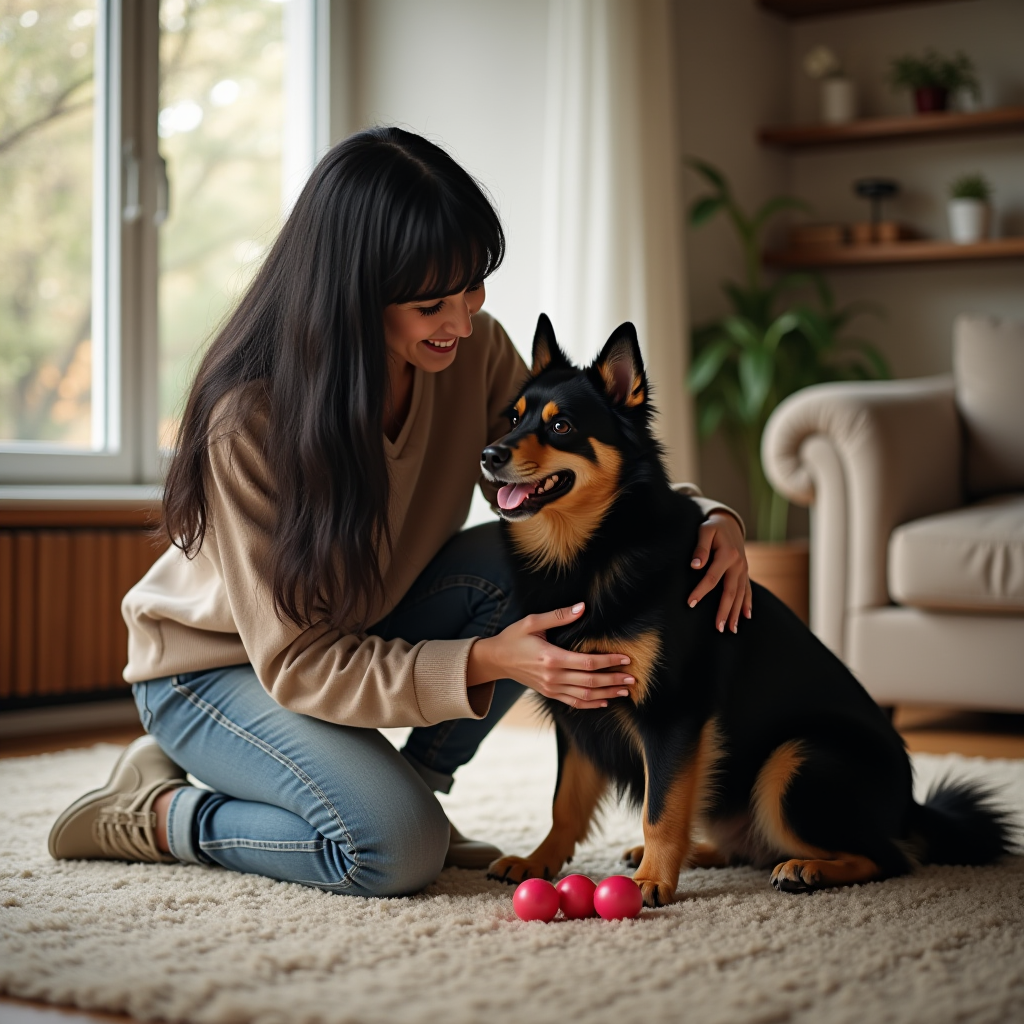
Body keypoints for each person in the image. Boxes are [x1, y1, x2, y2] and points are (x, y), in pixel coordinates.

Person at [48, 127, 752, 898]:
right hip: (218, 669)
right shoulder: (248, 420)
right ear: (355, 295)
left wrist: (710, 517)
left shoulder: (473, 352)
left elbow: (574, 471)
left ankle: (408, 789)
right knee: (392, 853)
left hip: (356, 626)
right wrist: (487, 660)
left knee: (539, 565)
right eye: (431, 304)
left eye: (473, 288)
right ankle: (155, 811)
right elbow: (297, 661)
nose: (463, 320)